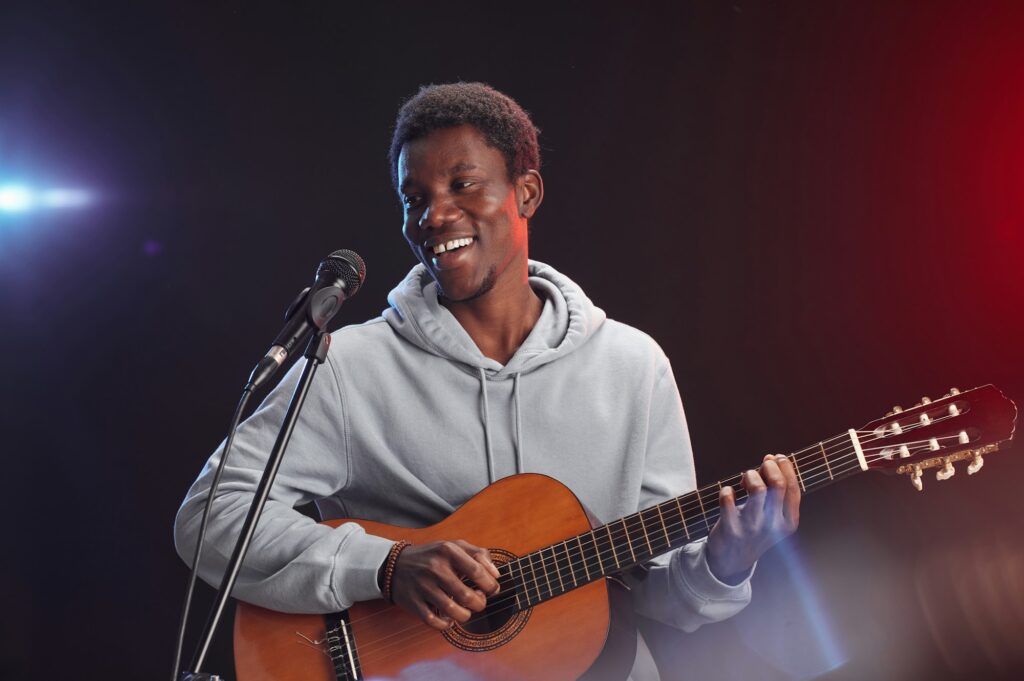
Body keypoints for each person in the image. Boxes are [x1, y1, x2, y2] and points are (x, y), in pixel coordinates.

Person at [174, 82, 801, 678]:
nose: (433, 215)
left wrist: (729, 557)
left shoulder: (633, 367)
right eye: (413, 198)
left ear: (525, 193)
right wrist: (385, 566)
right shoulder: (347, 366)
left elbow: (664, 593)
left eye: (461, 185)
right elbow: (209, 515)